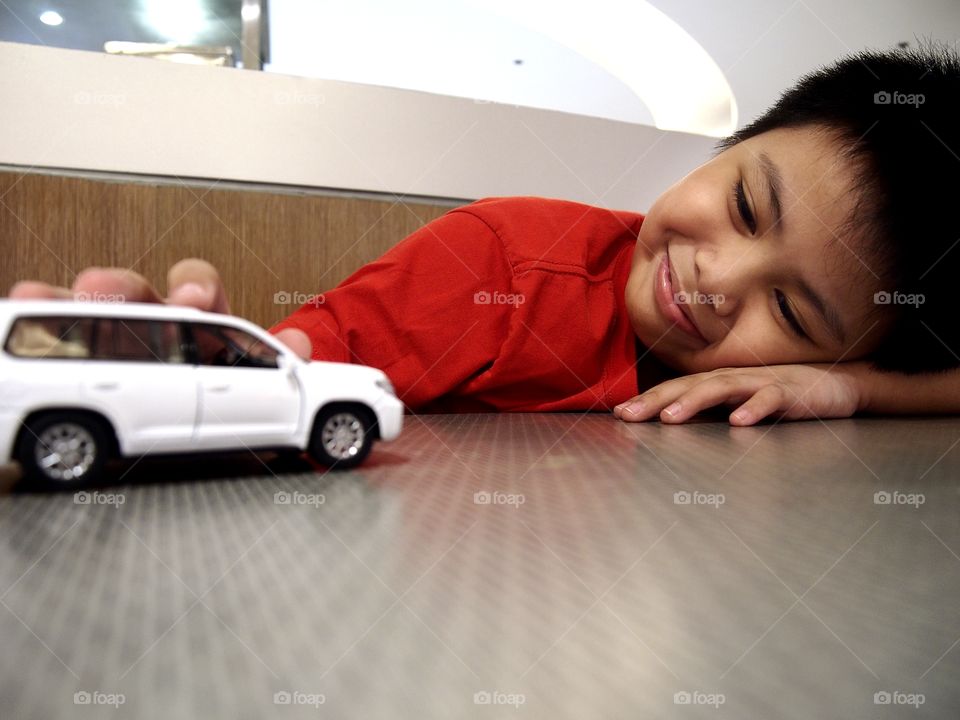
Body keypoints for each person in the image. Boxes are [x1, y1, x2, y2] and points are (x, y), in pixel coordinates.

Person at [10, 44, 960, 426]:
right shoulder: (506, 266)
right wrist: (160, 361)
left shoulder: (827, 377)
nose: (720, 276)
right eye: (748, 208)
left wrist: (839, 388)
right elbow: (302, 366)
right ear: (732, 145)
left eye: (791, 309)